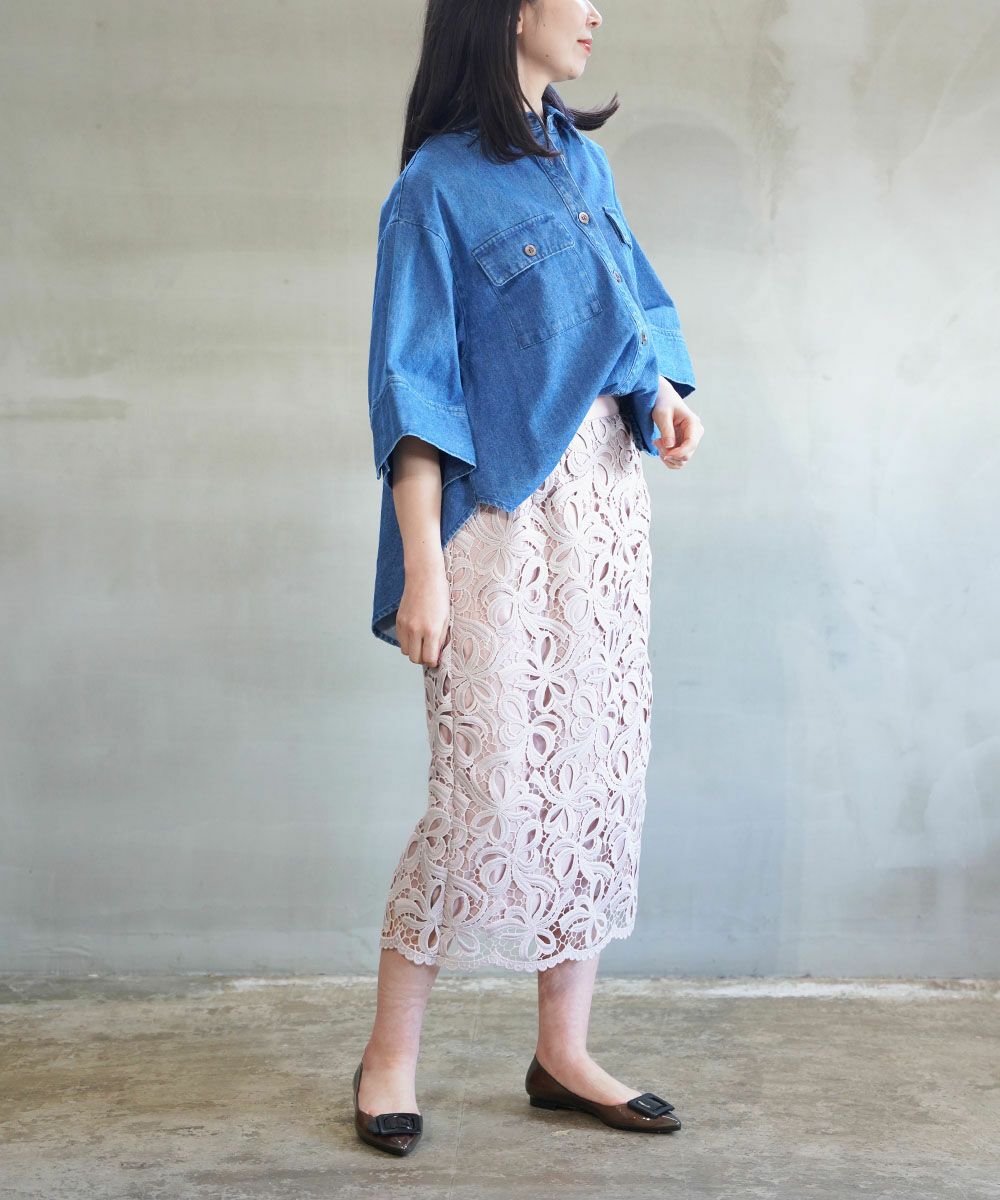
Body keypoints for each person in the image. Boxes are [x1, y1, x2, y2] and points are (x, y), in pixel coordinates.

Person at [355, 0, 704, 1157]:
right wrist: (422, 567)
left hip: (603, 512)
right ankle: (388, 1059)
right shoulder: (434, 189)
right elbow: (414, 390)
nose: (594, 11)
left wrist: (661, 393)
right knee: (485, 793)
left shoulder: (583, 163)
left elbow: (626, 311)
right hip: (498, 528)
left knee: (594, 772)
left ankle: (563, 1051)